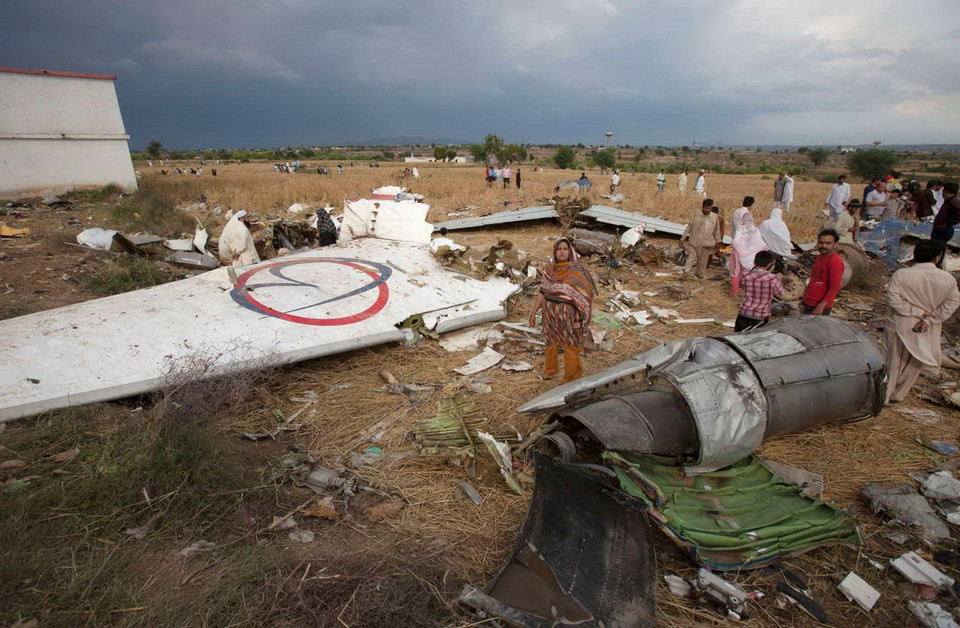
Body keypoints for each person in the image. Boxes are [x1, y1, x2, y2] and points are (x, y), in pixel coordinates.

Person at [883, 239, 960, 403]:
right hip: (927, 327)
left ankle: (885, 394)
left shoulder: (901, 275)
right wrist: (931, 318)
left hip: (901, 323)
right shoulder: (947, 278)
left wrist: (917, 312)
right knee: (916, 361)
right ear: (937, 258)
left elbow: (894, 300)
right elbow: (953, 302)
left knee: (893, 360)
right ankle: (898, 395)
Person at [528, 238, 596, 383]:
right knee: (550, 342)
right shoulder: (549, 269)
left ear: (570, 251)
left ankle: (571, 377)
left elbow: (587, 295)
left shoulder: (577, 270)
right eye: (559, 249)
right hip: (550, 313)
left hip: (570, 314)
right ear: (555, 251)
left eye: (565, 249)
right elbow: (542, 291)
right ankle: (550, 370)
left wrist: (581, 317)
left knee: (571, 344)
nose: (562, 252)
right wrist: (533, 311)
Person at [735, 250, 784, 332]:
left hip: (744, 313)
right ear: (769, 264)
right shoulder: (772, 278)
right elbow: (780, 292)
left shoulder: (745, 275)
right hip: (760, 316)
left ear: (754, 262)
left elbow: (742, 286)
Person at [801, 229, 843, 315]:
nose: (823, 246)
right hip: (809, 302)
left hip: (819, 307)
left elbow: (835, 287)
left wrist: (821, 306)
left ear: (834, 245)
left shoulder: (835, 262)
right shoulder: (820, 257)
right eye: (821, 242)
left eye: (828, 243)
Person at [728, 210, 768, 295]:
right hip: (753, 256)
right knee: (750, 273)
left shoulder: (740, 230)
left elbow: (735, 242)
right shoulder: (755, 230)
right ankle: (749, 290)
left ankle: (735, 292)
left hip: (740, 255)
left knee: (735, 272)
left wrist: (742, 250)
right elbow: (761, 243)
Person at [680, 199, 720, 278]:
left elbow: (717, 230)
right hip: (694, 241)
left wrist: (718, 242)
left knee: (703, 260)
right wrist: (682, 238)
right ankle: (686, 273)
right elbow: (688, 228)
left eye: (709, 208)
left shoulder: (714, 217)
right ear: (702, 207)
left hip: (707, 242)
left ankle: (699, 274)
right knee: (691, 257)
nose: (707, 210)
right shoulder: (696, 215)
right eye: (706, 208)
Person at [932, 181, 960, 253]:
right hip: (940, 228)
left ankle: (937, 263)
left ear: (946, 191)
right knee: (936, 248)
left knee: (938, 249)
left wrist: (946, 223)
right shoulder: (949, 201)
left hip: (944, 229)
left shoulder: (954, 202)